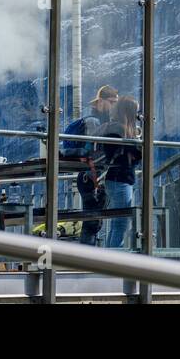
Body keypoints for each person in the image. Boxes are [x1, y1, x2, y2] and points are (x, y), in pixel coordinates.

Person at [67, 85, 118, 246]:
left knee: (93, 222)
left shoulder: (96, 121)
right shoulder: (93, 122)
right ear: (101, 101)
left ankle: (87, 257)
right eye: (111, 102)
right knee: (92, 223)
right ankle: (86, 258)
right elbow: (93, 152)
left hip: (91, 176)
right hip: (92, 177)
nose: (113, 106)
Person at [98, 96, 141, 249]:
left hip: (113, 179)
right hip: (121, 179)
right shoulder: (122, 130)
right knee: (121, 223)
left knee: (117, 222)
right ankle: (114, 259)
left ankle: (110, 257)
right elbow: (135, 155)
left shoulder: (112, 128)